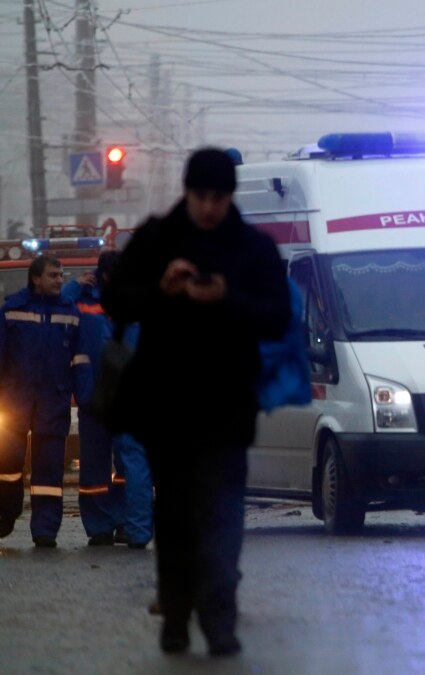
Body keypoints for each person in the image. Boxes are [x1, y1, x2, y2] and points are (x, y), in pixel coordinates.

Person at [103, 148, 290, 657]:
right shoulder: (158, 238)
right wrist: (162, 290)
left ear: (230, 197)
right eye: (201, 197)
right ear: (187, 193)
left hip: (227, 409)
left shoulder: (251, 249)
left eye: (219, 198)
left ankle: (219, 619)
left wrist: (227, 296)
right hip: (167, 406)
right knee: (177, 515)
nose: (209, 208)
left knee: (224, 516)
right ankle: (176, 616)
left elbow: (277, 317)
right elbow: (116, 300)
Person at [62, 251, 153, 548]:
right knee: (132, 466)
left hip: (95, 396)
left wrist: (75, 286)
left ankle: (101, 527)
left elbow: (58, 306)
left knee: (95, 467)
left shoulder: (84, 301)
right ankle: (135, 530)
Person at [0, 256, 92, 547]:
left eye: (61, 276)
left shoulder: (71, 314)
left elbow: (80, 362)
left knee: (49, 474)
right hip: (14, 403)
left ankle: (45, 531)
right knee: (7, 467)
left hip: (53, 402)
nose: (59, 280)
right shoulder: (12, 311)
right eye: (53, 275)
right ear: (35, 278)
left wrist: (86, 398)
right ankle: (5, 515)